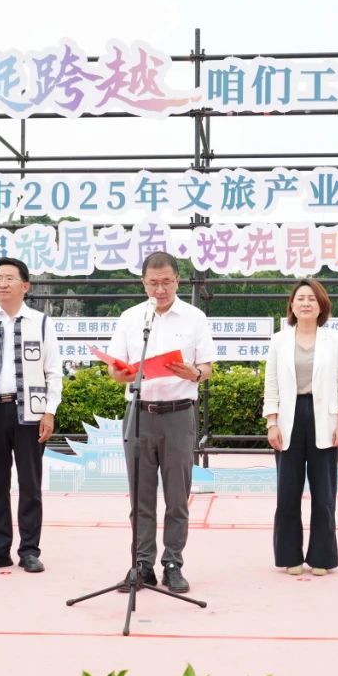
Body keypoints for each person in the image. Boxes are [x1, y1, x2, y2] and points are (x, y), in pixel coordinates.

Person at [106, 252, 214, 593]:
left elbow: (207, 368)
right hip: (139, 413)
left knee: (177, 496)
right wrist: (121, 373)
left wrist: (194, 372)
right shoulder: (131, 318)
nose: (160, 289)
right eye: (153, 283)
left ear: (177, 280)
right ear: (143, 283)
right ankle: (142, 564)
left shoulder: (195, 318)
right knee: (141, 496)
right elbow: (114, 369)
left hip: (179, 414)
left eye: (167, 282)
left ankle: (173, 563)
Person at [0, 257, 63, 574]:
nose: (2, 284)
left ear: (25, 285)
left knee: (30, 484)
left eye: (9, 278)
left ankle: (29, 550)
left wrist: (49, 412)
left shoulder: (41, 323)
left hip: (30, 414)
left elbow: (54, 372)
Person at [263, 279, 338, 576]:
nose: (305, 303)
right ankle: (289, 555)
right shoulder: (279, 341)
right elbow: (271, 385)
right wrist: (272, 423)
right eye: (300, 298)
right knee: (287, 493)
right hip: (288, 419)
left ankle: (322, 557)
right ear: (291, 305)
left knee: (324, 494)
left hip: (324, 418)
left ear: (321, 306)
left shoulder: (334, 340)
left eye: (312, 299)